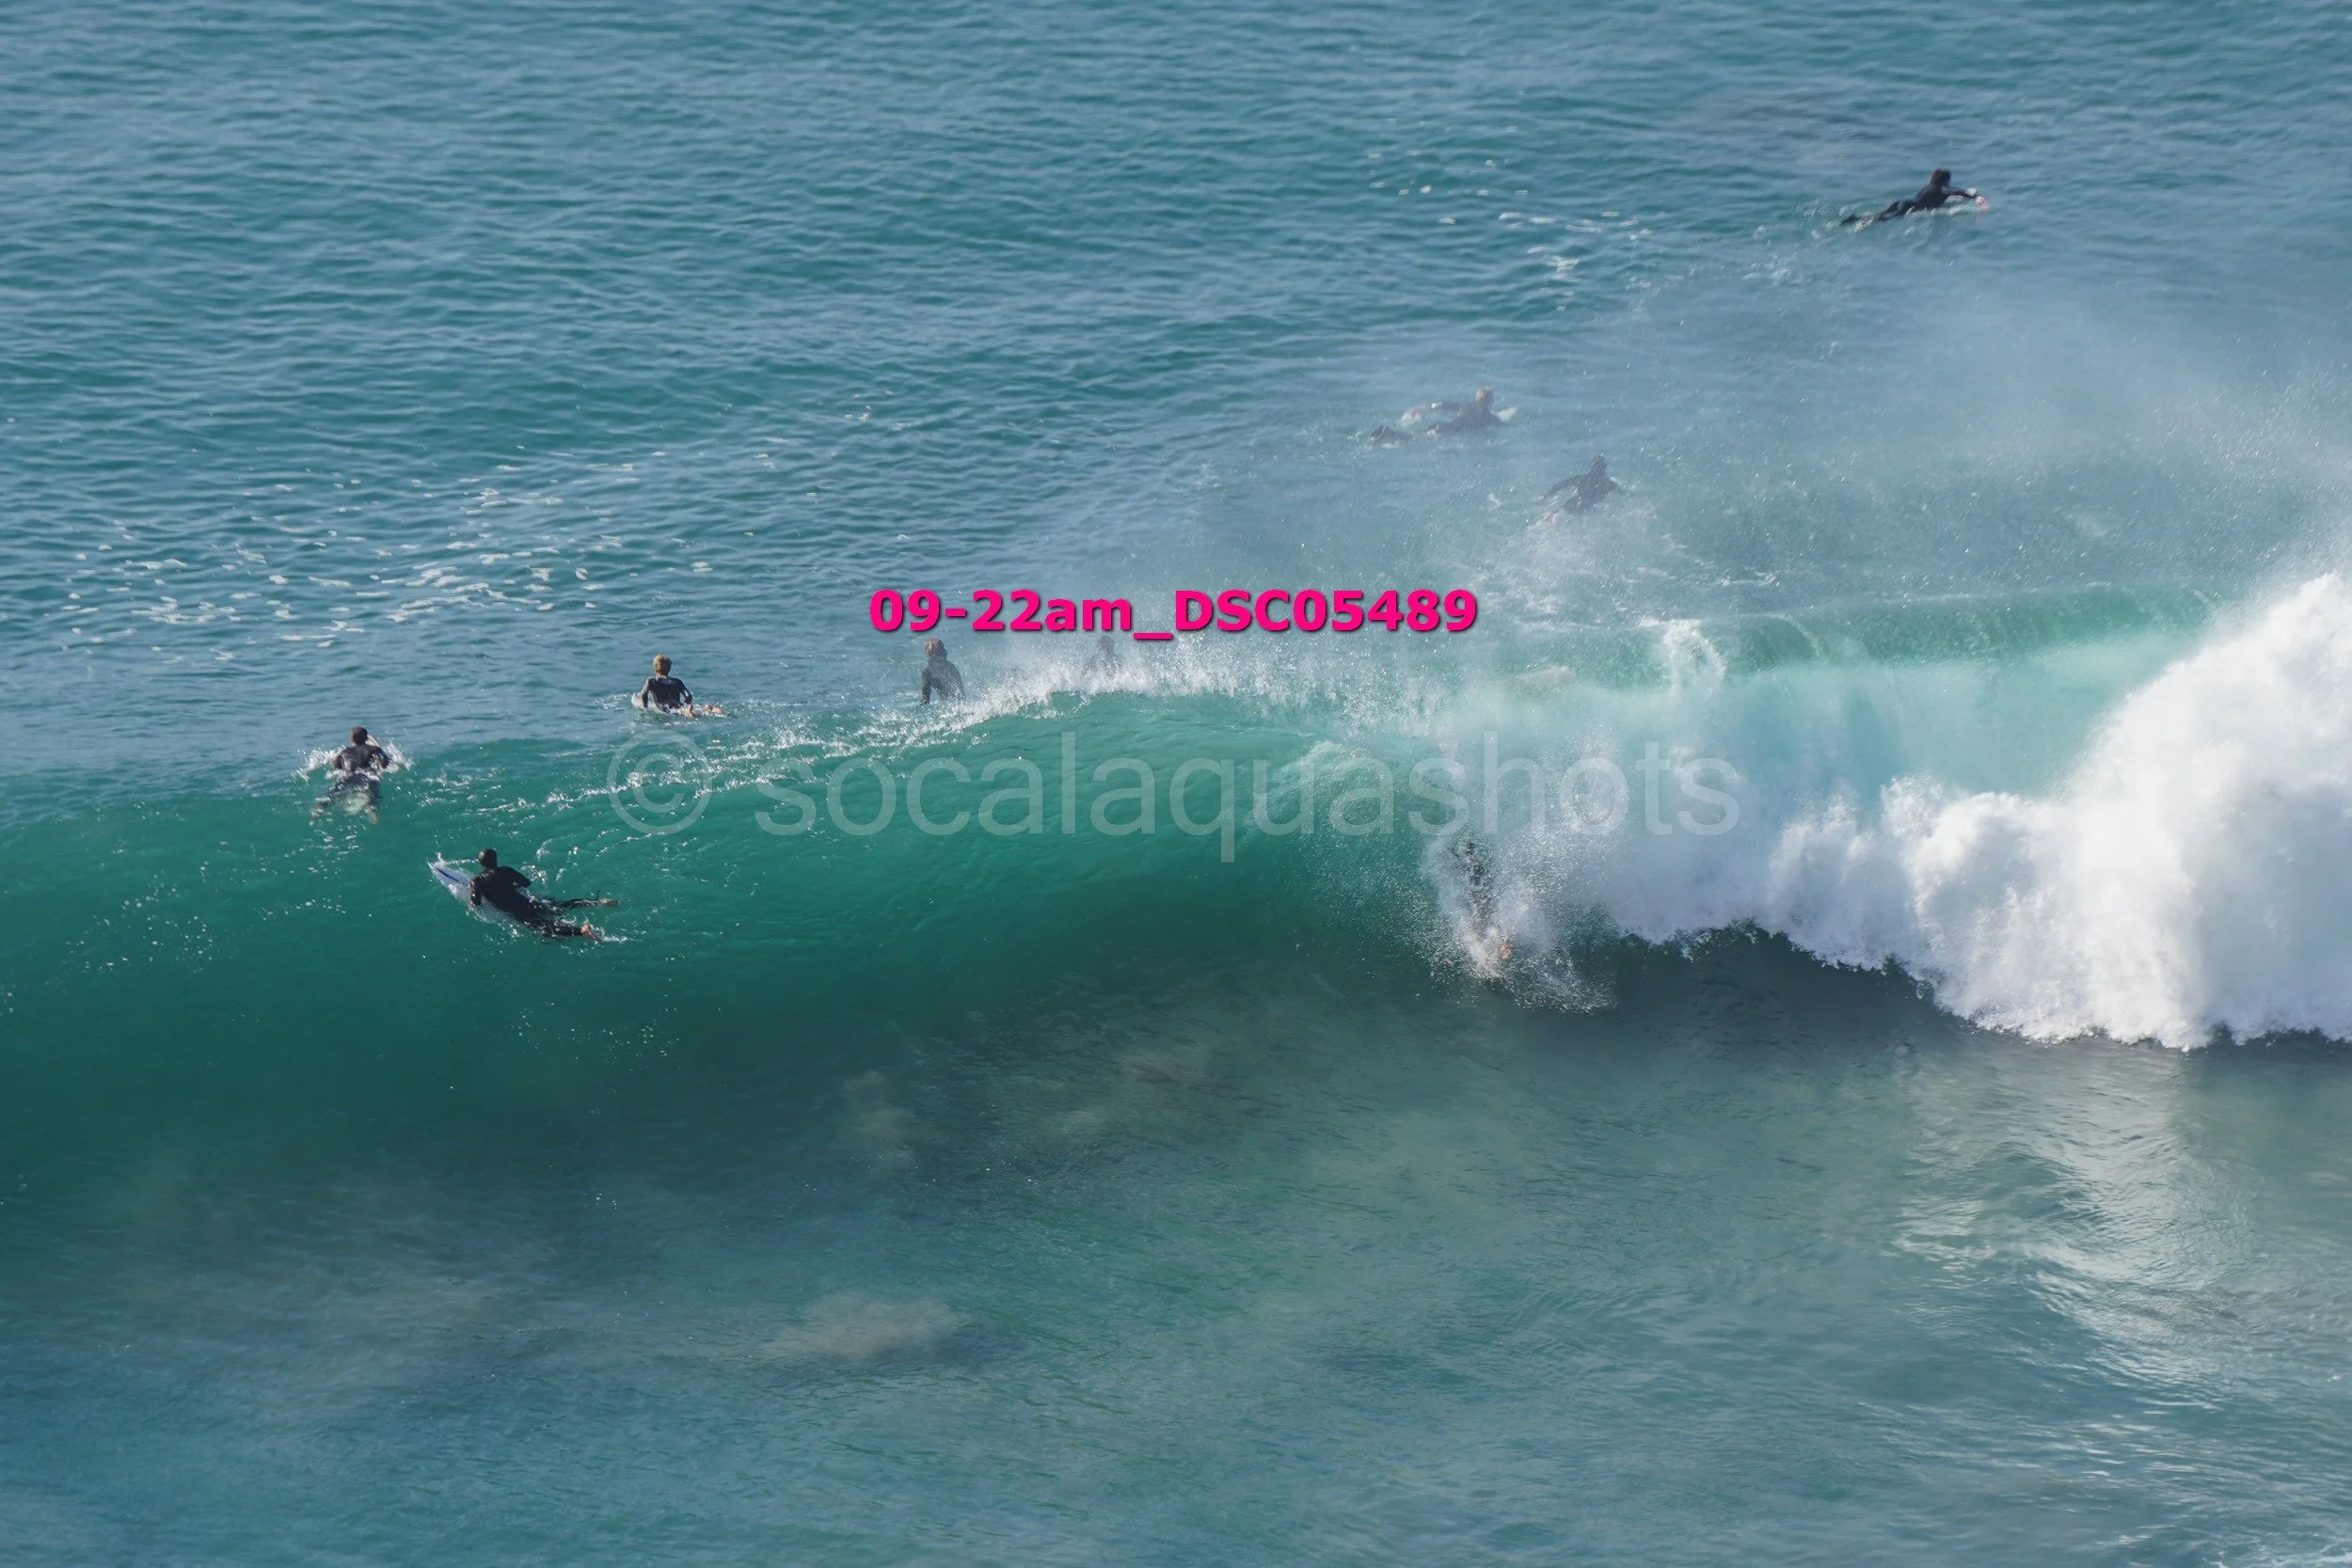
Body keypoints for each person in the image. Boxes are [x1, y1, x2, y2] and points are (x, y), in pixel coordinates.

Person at [468, 847, 612, 940]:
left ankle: (582, 930)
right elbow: (525, 883)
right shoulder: (506, 870)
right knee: (562, 905)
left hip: (520, 912)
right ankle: (598, 902)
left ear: (481, 864)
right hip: (530, 902)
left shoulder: (477, 880)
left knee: (548, 929)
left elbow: (476, 903)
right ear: (496, 860)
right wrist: (512, 887)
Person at [1842, 169, 1985, 227]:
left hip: (1903, 202)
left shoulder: (1928, 187)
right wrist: (1975, 196)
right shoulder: (1942, 189)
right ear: (1946, 181)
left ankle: (1855, 217)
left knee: (1881, 215)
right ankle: (1861, 222)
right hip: (1910, 207)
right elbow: (1957, 193)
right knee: (1883, 219)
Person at [313, 725, 392, 821]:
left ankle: (319, 808)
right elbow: (385, 764)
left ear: (351, 739)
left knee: (334, 792)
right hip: (366, 775)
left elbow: (335, 769)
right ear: (366, 738)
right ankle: (372, 811)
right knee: (372, 792)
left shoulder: (343, 752)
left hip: (349, 776)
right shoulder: (375, 749)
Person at [1373, 387, 1502, 442]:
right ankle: (1389, 434)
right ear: (1490, 401)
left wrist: (1426, 408)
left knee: (1417, 435)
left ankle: (1388, 433)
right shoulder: (1490, 418)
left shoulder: (1466, 404)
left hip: (1442, 425)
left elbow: (1445, 405)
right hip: (1449, 431)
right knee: (1415, 438)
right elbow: (1503, 426)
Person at [635, 655, 719, 717]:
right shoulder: (676, 681)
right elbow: (688, 696)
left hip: (665, 708)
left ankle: (688, 712)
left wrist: (644, 707)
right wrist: (687, 704)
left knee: (681, 713)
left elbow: (644, 693)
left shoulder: (651, 680)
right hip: (679, 706)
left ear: (655, 668)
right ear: (669, 668)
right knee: (688, 709)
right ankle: (710, 708)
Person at [1540, 456, 1622, 515]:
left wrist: (1546, 495)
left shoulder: (1581, 479)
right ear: (1604, 468)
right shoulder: (1608, 484)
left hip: (1573, 502)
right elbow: (1624, 494)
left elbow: (1562, 484)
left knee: (1557, 514)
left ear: (1591, 467)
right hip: (1584, 506)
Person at [919, 638, 963, 705]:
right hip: (958, 702)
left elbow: (925, 699)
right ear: (944, 651)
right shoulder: (951, 666)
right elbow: (961, 689)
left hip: (945, 704)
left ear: (929, 654)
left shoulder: (927, 672)